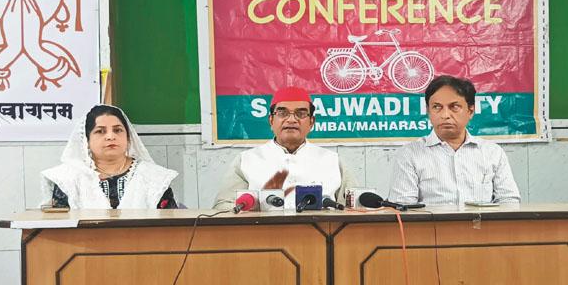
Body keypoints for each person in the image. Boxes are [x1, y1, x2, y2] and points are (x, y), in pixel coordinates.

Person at [213, 86, 355, 210]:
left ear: (312, 121)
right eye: (282, 113)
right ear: (271, 120)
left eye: (301, 113)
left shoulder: (333, 161)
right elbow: (223, 205)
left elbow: (353, 207)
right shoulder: (246, 160)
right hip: (263, 237)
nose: (291, 120)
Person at [388, 75, 521, 205]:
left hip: (483, 227)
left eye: (454, 107)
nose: (445, 115)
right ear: (428, 111)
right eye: (437, 107)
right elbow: (402, 209)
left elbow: (509, 202)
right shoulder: (410, 154)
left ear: (471, 111)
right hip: (431, 227)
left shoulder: (492, 153)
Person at [41, 105, 179, 209]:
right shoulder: (68, 179)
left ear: (128, 138)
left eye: (118, 130)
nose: (110, 136)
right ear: (86, 141)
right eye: (100, 131)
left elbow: (171, 229)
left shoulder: (155, 178)